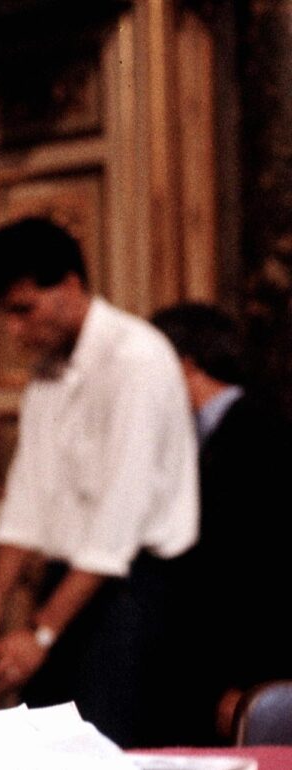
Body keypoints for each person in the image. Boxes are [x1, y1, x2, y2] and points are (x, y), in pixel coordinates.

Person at [0, 217, 198, 747]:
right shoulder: (46, 375)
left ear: (71, 285)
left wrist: (40, 633)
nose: (12, 330)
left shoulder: (137, 360)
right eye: (5, 314)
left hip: (134, 596)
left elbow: (115, 527)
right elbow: (25, 504)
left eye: (23, 309)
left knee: (111, 750)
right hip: (69, 588)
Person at [150, 302, 292, 745]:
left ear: (184, 363)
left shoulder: (261, 431)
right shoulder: (202, 432)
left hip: (243, 671)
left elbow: (267, 570)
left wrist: (251, 681)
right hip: (206, 666)